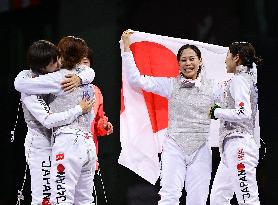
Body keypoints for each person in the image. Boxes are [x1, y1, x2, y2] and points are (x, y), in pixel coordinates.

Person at [121, 30, 218, 205]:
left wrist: (250, 70)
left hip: (201, 148)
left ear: (200, 61)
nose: (188, 63)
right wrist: (127, 48)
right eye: (183, 60)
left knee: (198, 200)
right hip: (174, 147)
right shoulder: (169, 84)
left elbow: (236, 101)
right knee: (169, 197)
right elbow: (136, 80)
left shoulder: (213, 87)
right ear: (178, 63)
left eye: (191, 59)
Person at [15, 36, 97, 205]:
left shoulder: (63, 75)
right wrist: (78, 109)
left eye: (59, 58)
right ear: (42, 66)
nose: (59, 63)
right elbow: (47, 119)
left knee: (69, 198)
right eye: (54, 61)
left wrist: (79, 78)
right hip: (41, 144)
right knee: (45, 199)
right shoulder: (30, 85)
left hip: (62, 140)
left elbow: (89, 71)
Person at [209, 42, 261, 205]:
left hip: (240, 146)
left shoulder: (240, 80)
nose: (225, 61)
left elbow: (244, 112)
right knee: (218, 198)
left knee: (248, 200)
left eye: (227, 56)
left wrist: (216, 112)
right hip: (230, 147)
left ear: (236, 58)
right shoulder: (246, 78)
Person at [80, 48, 113, 161]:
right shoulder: (65, 88)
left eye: (85, 62)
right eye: (78, 62)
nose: (82, 66)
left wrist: (104, 126)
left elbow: (98, 120)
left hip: (89, 150)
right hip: (68, 151)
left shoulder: (95, 91)